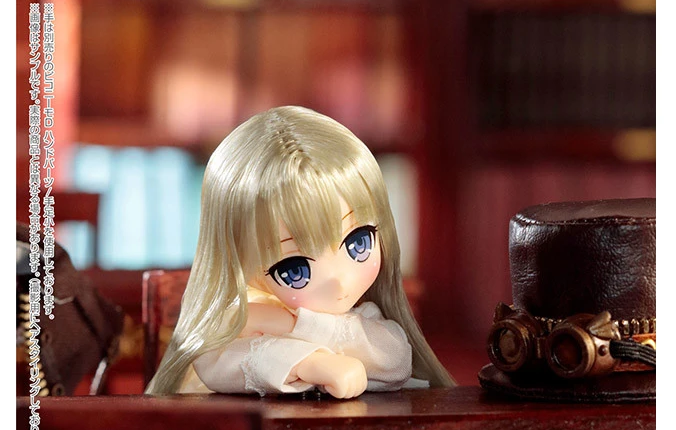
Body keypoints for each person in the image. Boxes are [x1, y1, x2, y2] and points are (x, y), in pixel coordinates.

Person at [145, 106, 454, 398]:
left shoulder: (363, 319)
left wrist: (291, 324)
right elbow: (216, 363)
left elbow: (394, 360)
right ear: (242, 264)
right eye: (295, 270)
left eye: (358, 243)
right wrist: (306, 363)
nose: (339, 282)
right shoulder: (245, 316)